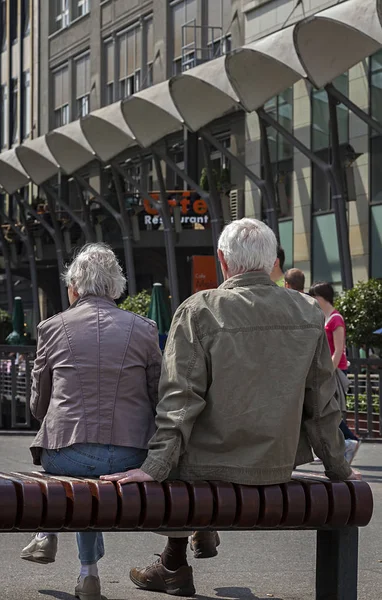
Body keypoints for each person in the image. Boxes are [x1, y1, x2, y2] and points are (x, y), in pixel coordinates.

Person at [102, 218, 358, 597]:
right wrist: (341, 471)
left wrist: (152, 468)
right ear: (273, 262)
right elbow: (323, 407)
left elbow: (179, 403)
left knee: (181, 461)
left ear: (222, 260)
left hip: (206, 468)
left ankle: (175, 559)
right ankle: (191, 542)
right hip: (274, 466)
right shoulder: (307, 312)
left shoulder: (198, 310)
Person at [20, 243, 162, 600]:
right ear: (116, 288)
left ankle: (64, 549)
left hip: (66, 452)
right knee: (89, 475)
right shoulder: (144, 329)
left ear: (74, 287)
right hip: (132, 454)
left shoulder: (51, 328)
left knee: (75, 467)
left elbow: (38, 407)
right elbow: (159, 397)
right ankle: (79, 564)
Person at [309, 282, 360, 464]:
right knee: (326, 408)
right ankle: (344, 443)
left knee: (328, 408)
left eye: (314, 296)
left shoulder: (335, 318)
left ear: (321, 297)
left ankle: (349, 440)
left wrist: (328, 371)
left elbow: (338, 350)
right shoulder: (326, 317)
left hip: (335, 370)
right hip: (330, 369)